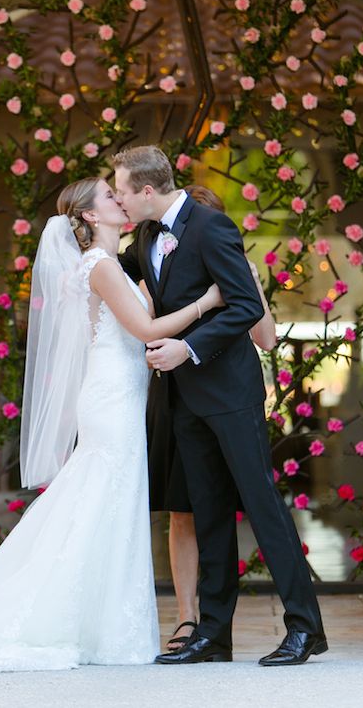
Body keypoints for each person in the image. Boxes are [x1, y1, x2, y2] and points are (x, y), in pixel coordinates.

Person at [0, 177, 224, 675]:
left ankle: (104, 627)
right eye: (109, 196)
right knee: (101, 503)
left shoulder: (115, 266)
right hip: (109, 401)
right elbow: (146, 331)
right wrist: (208, 303)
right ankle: (77, 623)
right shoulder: (99, 267)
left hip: (123, 397)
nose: (119, 200)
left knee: (108, 508)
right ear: (88, 216)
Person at [115, 146, 326, 666]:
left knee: (262, 507)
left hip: (230, 394)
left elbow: (247, 307)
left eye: (120, 190)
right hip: (183, 397)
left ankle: (305, 627)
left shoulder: (212, 228)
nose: (118, 198)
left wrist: (187, 347)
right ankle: (214, 634)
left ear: (146, 191)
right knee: (208, 513)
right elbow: (106, 268)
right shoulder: (144, 237)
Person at [144, 184, 276, 652]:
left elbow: (268, 339)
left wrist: (244, 282)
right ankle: (187, 618)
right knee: (183, 509)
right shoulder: (154, 254)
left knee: (223, 510)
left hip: (225, 398)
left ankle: (214, 628)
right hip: (178, 397)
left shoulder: (229, 260)